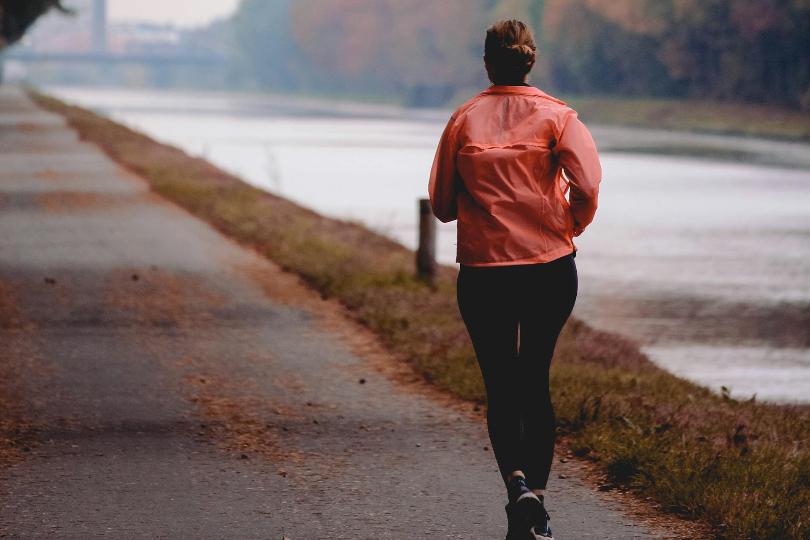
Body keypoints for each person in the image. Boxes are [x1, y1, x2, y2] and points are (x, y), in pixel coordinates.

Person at [428, 18, 602, 540]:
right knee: (536, 378)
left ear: (487, 63)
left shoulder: (463, 121)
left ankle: (518, 489)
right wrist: (570, 223)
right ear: (531, 60)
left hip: (485, 272)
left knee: (501, 385)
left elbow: (440, 205)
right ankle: (539, 507)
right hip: (550, 268)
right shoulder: (559, 117)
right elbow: (588, 184)